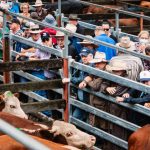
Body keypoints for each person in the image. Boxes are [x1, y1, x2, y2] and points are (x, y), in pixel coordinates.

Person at [71, 48, 93, 121]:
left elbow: (81, 78)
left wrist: (74, 79)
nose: (84, 58)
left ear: (91, 56)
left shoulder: (93, 66)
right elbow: (74, 77)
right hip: (81, 97)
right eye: (82, 56)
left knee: (88, 121)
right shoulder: (80, 64)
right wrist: (73, 79)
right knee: (75, 118)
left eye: (85, 56)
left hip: (90, 100)